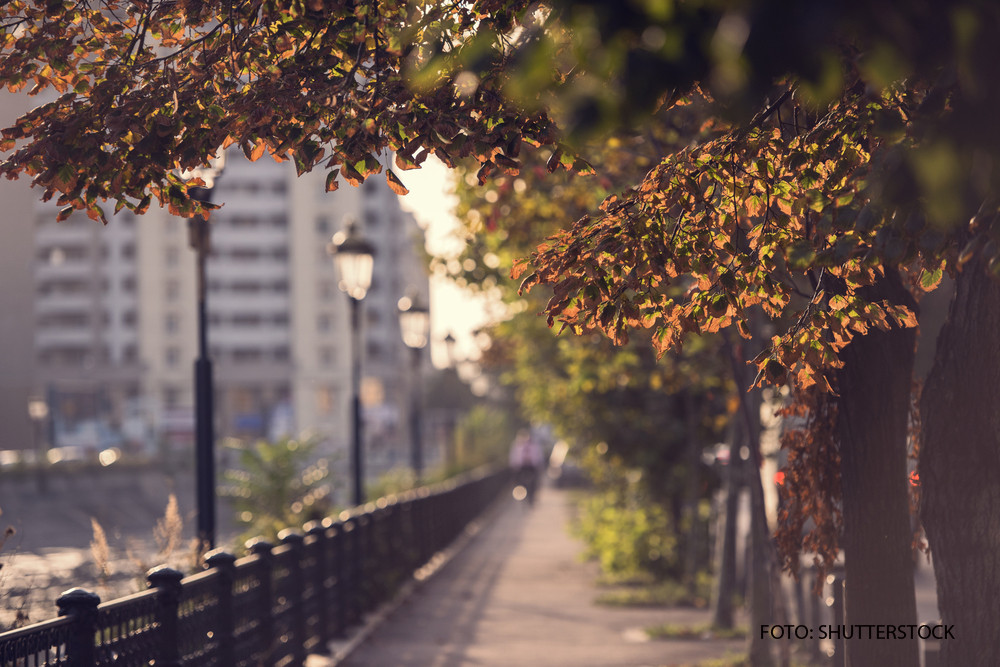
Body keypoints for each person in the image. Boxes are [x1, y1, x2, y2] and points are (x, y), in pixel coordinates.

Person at [509, 429, 545, 505]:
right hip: (521, 466)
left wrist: (539, 464)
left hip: (532, 466)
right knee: (519, 482)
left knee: (534, 481)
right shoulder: (517, 445)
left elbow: (539, 455)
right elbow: (513, 456)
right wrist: (514, 465)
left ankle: (532, 495)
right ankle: (520, 495)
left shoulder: (534, 445)